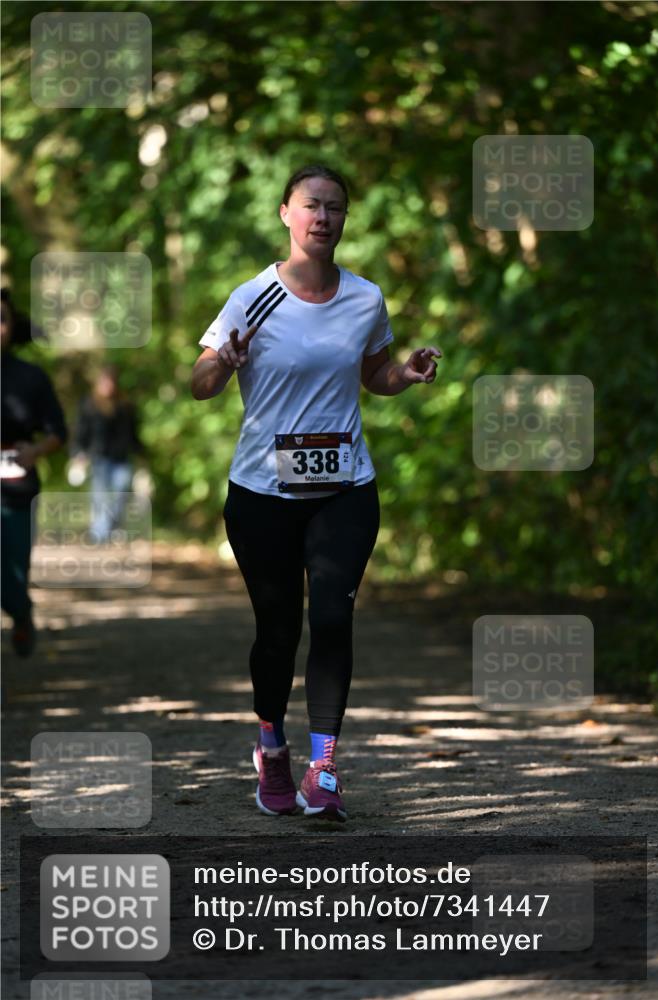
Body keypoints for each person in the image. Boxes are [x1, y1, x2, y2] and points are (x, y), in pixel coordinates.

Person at [191, 164, 441, 822]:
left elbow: (372, 375)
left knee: (332, 619)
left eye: (334, 207)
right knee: (278, 631)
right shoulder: (252, 297)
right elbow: (199, 383)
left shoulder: (365, 298)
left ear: (344, 219)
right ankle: (271, 746)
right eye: (311, 205)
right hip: (262, 493)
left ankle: (323, 767)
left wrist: (404, 374)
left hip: (344, 488)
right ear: (285, 213)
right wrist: (223, 362)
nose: (322, 218)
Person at [1, 288, 68, 657]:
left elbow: (58, 432)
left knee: (12, 569)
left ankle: (20, 611)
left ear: (13, 326)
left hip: (15, 487)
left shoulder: (31, 377)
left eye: (1, 319)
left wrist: (36, 450)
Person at [70, 365, 144, 543]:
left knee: (121, 493)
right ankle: (100, 533)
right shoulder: (89, 405)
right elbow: (80, 432)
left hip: (121, 458)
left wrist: (142, 456)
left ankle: (111, 529)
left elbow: (133, 434)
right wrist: (78, 454)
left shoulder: (125, 406)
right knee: (100, 496)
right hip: (98, 458)